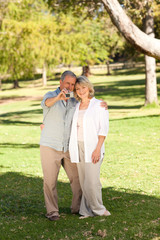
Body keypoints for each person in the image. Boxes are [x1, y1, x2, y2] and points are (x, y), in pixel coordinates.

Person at [40, 71, 108, 221]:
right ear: (61, 82)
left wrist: (103, 104)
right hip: (50, 145)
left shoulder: (74, 102)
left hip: (69, 147)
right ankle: (52, 211)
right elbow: (46, 104)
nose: (70, 87)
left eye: (73, 85)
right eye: (68, 84)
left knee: (78, 180)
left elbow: (89, 108)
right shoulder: (50, 95)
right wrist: (58, 97)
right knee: (50, 181)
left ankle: (78, 208)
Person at [69, 75, 111, 218]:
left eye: (84, 87)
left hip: (93, 147)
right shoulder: (75, 106)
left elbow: (103, 130)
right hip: (78, 146)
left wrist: (98, 149)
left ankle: (99, 209)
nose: (81, 91)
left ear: (89, 88)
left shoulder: (99, 105)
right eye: (78, 89)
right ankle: (86, 211)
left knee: (92, 182)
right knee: (83, 181)